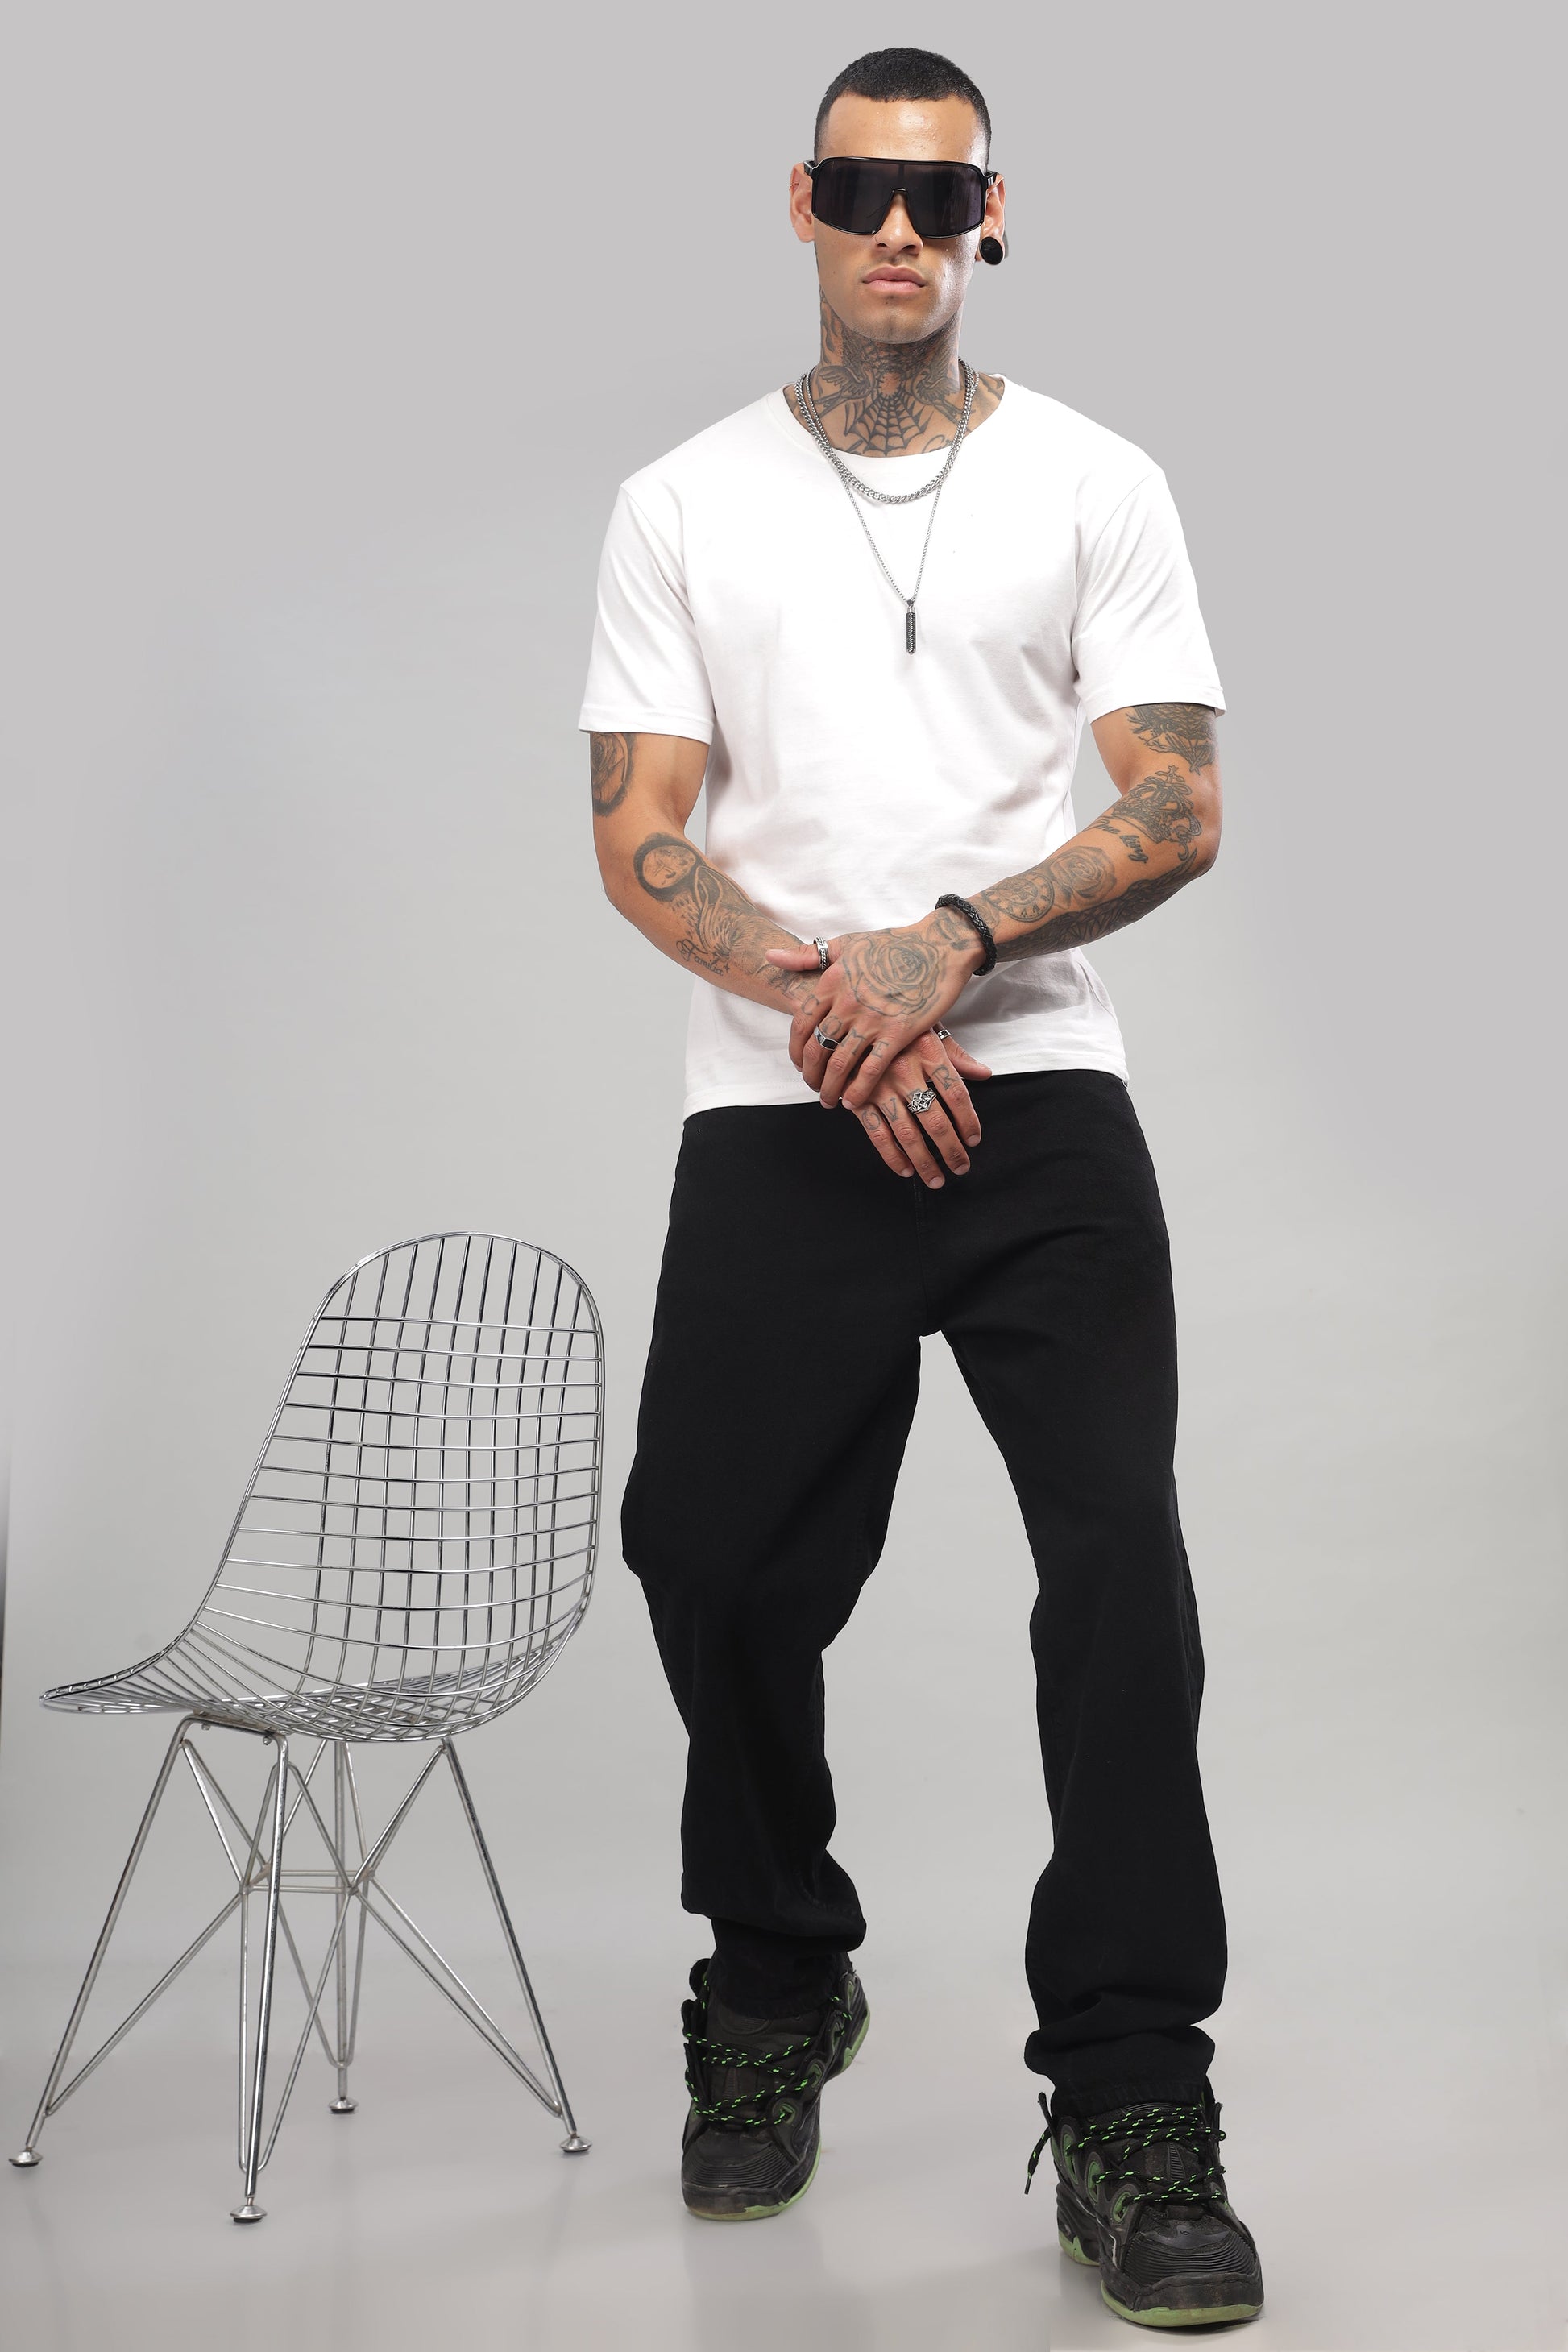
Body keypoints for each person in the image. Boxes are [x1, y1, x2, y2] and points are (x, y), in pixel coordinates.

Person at [579, 44, 1264, 2331]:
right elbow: (638, 828)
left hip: (1036, 1093)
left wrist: (950, 949)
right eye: (860, 188)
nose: (899, 228)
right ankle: (778, 1972)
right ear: (800, 203)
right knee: (707, 1555)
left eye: (938, 194)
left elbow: (1173, 804)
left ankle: (1135, 2093)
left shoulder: (1096, 481)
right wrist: (833, 1008)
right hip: (783, 1098)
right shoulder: (681, 503)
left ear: (990, 216)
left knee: (1119, 1579)